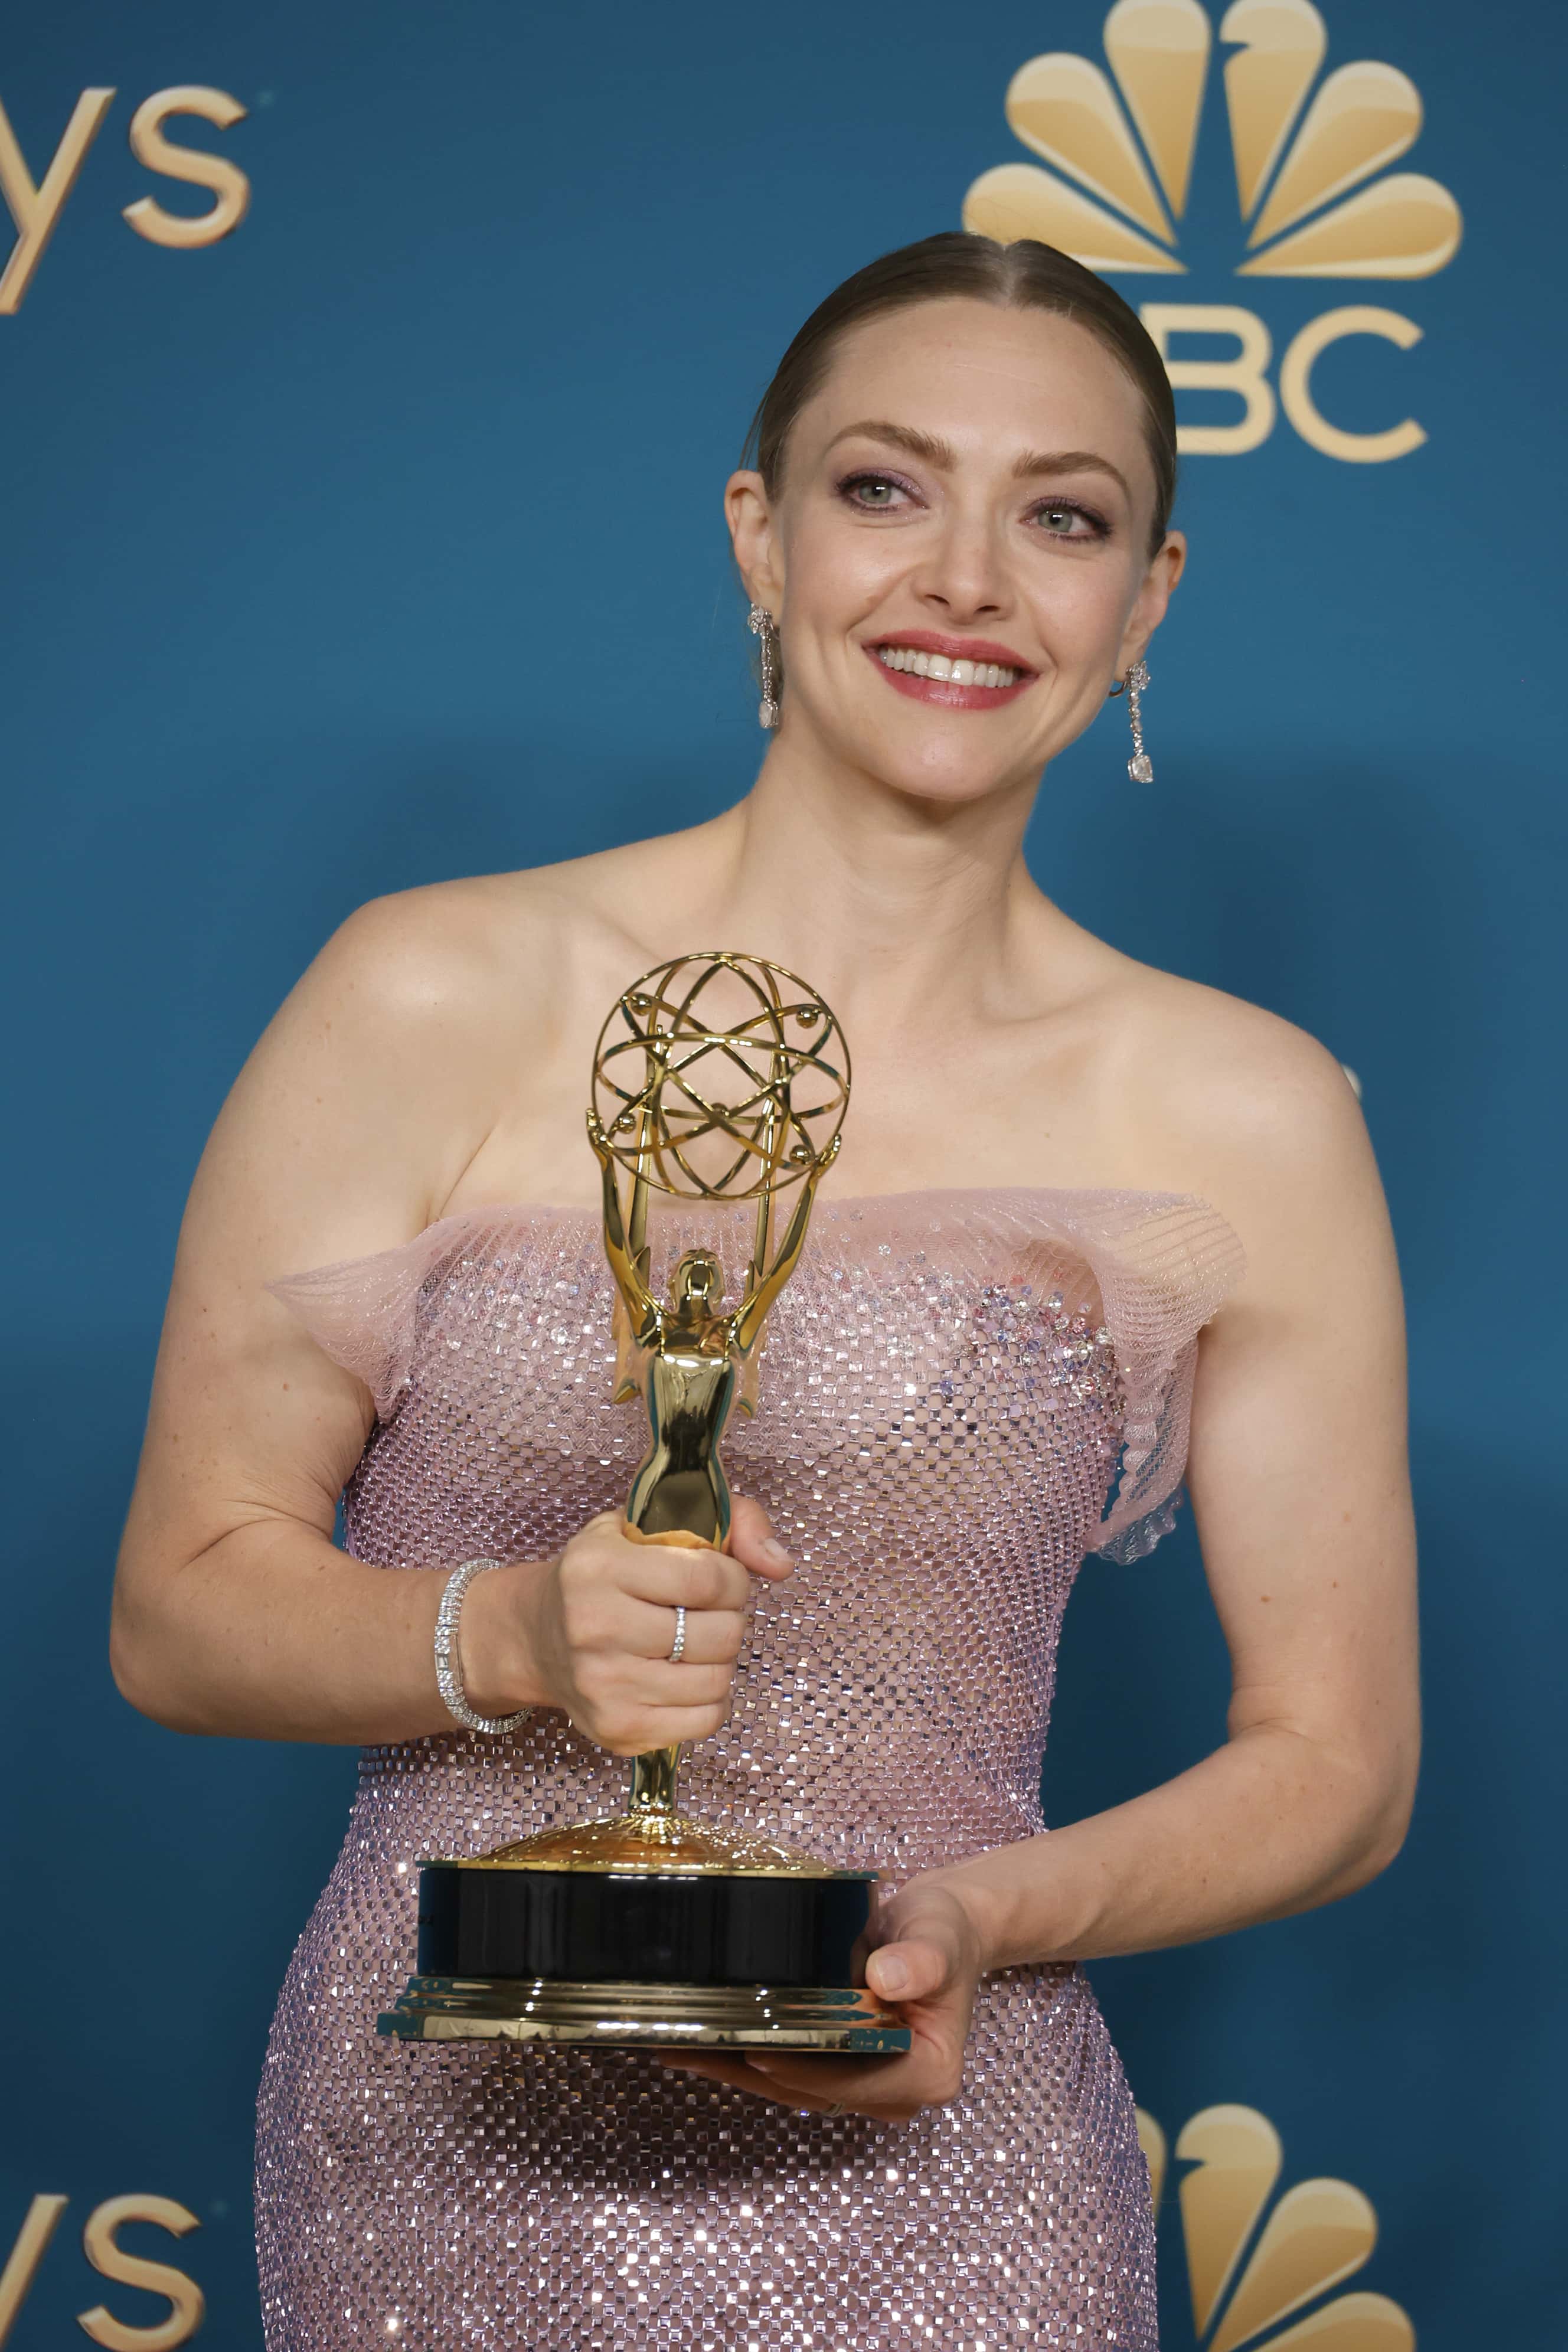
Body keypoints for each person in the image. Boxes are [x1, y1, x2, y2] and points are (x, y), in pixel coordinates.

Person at [112, 232, 1419, 2350]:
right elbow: (179, 1604)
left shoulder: (1240, 1107)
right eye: (887, 488)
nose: (970, 579)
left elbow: (1338, 1760)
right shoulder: (433, 988)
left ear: (1148, 596)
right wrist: (510, 1625)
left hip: (952, 2164)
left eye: (1062, 516)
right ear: (760, 529)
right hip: (449, 2148)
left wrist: (983, 1926)